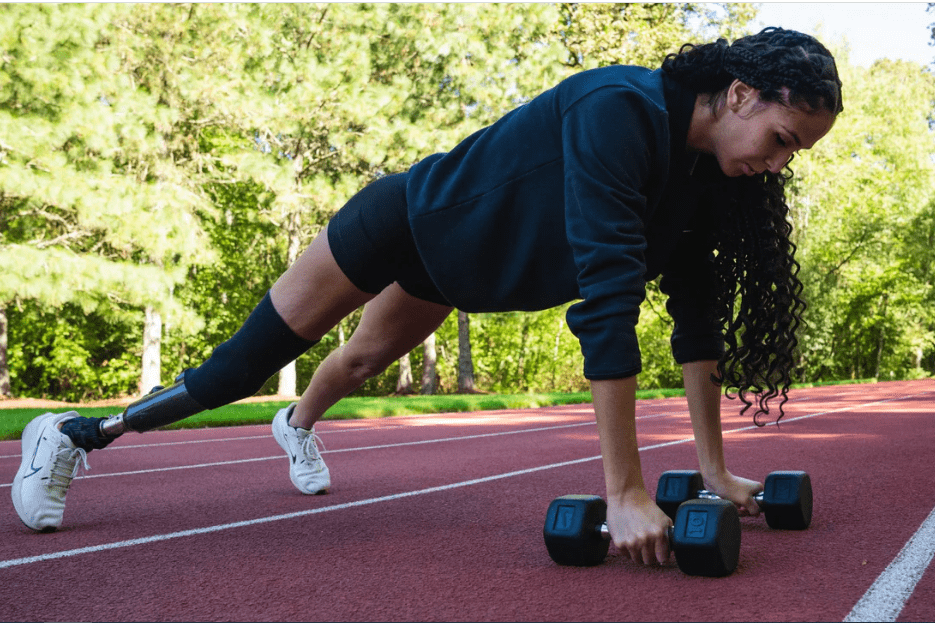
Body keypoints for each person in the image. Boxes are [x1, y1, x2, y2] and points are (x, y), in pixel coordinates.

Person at [12, 27, 842, 567]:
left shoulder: (706, 181)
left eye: (791, 155)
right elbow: (606, 300)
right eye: (778, 140)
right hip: (404, 223)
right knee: (238, 367)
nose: (776, 163)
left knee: (366, 356)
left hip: (459, 274)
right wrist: (622, 491)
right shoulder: (617, 110)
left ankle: (296, 424)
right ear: (738, 94)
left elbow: (694, 321)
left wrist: (712, 471)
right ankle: (80, 433)